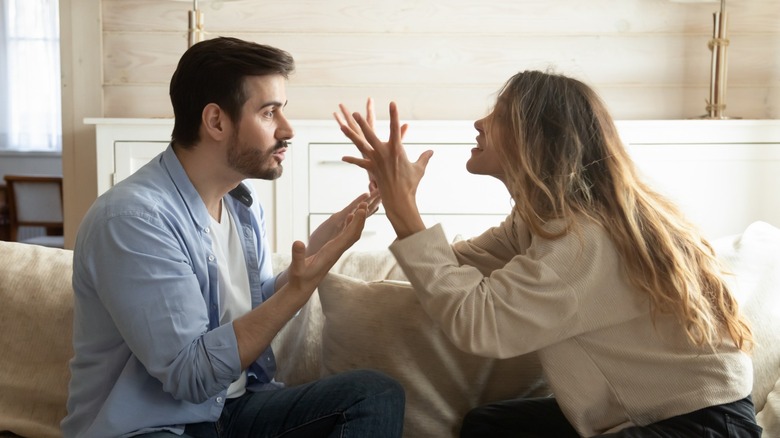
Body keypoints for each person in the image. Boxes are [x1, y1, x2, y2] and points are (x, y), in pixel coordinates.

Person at [335, 71, 763, 437]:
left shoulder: (585, 240)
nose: (479, 123)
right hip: (660, 414)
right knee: (489, 427)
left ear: (538, 139)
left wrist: (405, 208)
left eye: (499, 116)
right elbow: (449, 269)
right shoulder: (543, 221)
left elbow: (481, 323)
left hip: (699, 426)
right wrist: (396, 203)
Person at [62, 37, 405, 438]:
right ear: (216, 122)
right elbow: (191, 376)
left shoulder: (241, 203)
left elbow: (254, 305)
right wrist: (299, 289)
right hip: (156, 427)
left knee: (373, 394)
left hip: (232, 409)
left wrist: (318, 251)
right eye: (269, 113)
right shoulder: (133, 220)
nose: (287, 129)